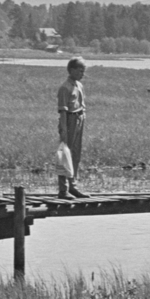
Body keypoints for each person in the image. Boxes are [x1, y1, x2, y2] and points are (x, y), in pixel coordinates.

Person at [56, 56, 89, 199]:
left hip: (79, 119)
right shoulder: (65, 87)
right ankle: (63, 190)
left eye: (84, 71)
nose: (82, 74)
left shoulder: (79, 85)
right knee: (65, 154)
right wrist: (63, 130)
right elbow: (63, 110)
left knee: (75, 154)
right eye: (80, 71)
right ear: (72, 70)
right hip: (69, 120)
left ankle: (73, 186)